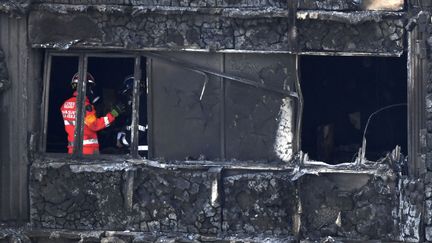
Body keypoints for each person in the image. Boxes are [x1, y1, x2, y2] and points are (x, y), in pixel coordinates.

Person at [61, 72, 125, 155]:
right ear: (86, 87)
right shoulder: (85, 106)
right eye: (90, 87)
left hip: (72, 150)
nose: (92, 91)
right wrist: (113, 114)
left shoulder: (65, 105)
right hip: (87, 151)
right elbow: (94, 125)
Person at [116, 75, 148, 155]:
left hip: (142, 153)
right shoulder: (137, 106)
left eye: (128, 94)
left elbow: (138, 132)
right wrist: (123, 132)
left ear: (133, 92)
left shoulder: (141, 105)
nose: (129, 98)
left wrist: (122, 141)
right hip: (137, 152)